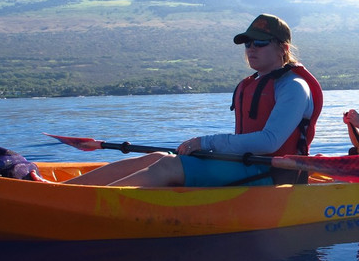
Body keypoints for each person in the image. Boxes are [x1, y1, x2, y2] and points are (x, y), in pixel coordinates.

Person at [68, 14, 323, 187]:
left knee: (167, 166)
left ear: (283, 49)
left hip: (274, 174)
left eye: (260, 43)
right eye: (247, 44)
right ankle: (64, 191)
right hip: (246, 165)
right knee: (155, 157)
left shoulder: (294, 86)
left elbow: (269, 142)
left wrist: (206, 142)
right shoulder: (254, 82)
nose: (251, 49)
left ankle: (84, 203)